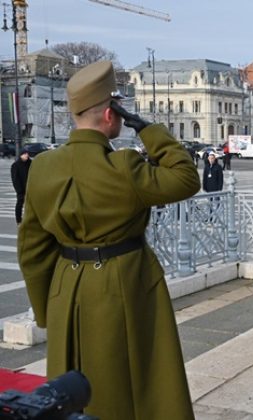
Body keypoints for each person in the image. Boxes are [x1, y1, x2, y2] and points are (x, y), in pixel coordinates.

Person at [17, 61, 199, 419]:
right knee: (138, 385)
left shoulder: (42, 167)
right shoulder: (125, 167)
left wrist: (49, 311)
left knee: (71, 392)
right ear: (110, 114)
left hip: (67, 290)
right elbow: (185, 177)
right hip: (126, 282)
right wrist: (148, 130)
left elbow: (33, 251)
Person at [10, 148, 31, 224]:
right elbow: (15, 179)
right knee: (19, 204)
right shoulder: (15, 165)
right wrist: (19, 190)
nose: (27, 155)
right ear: (21, 155)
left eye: (27, 153)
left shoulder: (30, 163)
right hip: (21, 189)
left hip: (30, 188)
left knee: (30, 205)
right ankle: (19, 220)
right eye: (25, 154)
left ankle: (29, 219)